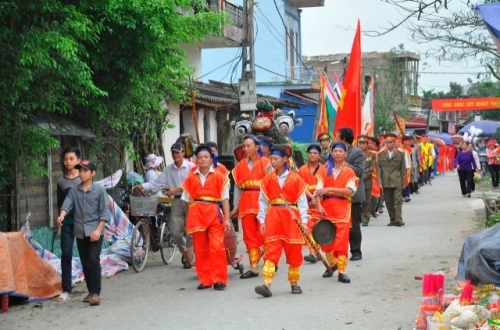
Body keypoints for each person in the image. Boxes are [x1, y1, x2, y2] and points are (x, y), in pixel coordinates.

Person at [254, 146, 310, 297]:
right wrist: (262, 221)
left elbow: (303, 202)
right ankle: (267, 284)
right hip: (273, 217)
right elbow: (262, 202)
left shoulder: (296, 179)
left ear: (285, 160)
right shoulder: (267, 179)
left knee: (294, 252)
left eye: (275, 159)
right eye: (271, 158)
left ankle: (294, 282)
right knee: (271, 250)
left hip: (291, 217)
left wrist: (304, 222)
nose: (272, 161)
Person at [132, 143, 195, 268]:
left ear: (183, 153)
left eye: (178, 152)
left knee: (191, 231)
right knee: (175, 231)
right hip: (177, 201)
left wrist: (176, 189)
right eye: (173, 152)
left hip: (191, 200)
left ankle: (190, 257)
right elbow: (156, 183)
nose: (175, 155)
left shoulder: (191, 166)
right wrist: (142, 186)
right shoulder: (168, 169)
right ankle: (186, 253)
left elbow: (194, 183)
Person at [57, 160, 108, 306]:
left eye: (85, 171)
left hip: (95, 230)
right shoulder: (74, 191)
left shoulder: (100, 190)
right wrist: (61, 216)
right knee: (85, 262)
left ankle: (96, 293)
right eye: (80, 170)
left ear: (93, 173)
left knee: (93, 258)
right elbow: (66, 205)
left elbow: (104, 213)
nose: (81, 173)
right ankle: (90, 292)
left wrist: (98, 230)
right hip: (80, 231)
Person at [181, 145, 231, 290]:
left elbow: (225, 200)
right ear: (196, 160)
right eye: (200, 157)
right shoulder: (190, 179)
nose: (203, 160)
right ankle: (205, 279)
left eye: (206, 157)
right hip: (196, 215)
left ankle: (219, 279)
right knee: (200, 249)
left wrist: (227, 219)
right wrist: (187, 219)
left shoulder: (220, 177)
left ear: (211, 159)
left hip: (214, 214)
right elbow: (187, 202)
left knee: (217, 247)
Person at [314, 142, 358, 283]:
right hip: (326, 208)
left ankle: (342, 271)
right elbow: (318, 191)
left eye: (341, 151)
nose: (338, 153)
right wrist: (319, 205)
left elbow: (349, 191)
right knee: (325, 239)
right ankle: (332, 264)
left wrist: (329, 190)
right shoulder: (323, 169)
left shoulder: (349, 171)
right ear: (331, 153)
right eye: (335, 151)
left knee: (341, 240)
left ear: (346, 154)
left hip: (342, 208)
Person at [230, 135, 272, 279]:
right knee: (249, 235)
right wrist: (235, 206)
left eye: (249, 146)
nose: (246, 148)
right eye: (244, 146)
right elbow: (237, 187)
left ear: (257, 147)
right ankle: (254, 267)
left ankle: (269, 261)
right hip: (246, 201)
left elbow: (272, 184)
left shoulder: (266, 163)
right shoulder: (240, 165)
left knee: (264, 233)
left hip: (263, 201)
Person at [56, 147, 82, 302]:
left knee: (86, 255)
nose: (68, 161)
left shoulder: (83, 178)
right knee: (66, 254)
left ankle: (93, 289)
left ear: (78, 160)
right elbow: (61, 203)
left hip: (83, 222)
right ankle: (66, 289)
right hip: (67, 222)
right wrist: (60, 217)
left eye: (71, 158)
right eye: (66, 159)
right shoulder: (61, 181)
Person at [338, 127, 365, 261]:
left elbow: (359, 172)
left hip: (352, 195)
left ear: (344, 138)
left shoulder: (357, 152)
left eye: (338, 136)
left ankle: (356, 251)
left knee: (353, 225)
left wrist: (344, 163)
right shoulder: (336, 151)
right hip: (337, 195)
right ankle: (339, 252)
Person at [297, 144, 325, 262]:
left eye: (315, 153)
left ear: (319, 155)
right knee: (307, 227)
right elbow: (302, 185)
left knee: (317, 227)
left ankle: (316, 251)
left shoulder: (324, 169)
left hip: (322, 201)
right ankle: (313, 252)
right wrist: (311, 198)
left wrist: (317, 199)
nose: (312, 155)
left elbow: (325, 185)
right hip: (306, 201)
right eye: (310, 153)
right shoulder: (302, 169)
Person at [377, 133, 407, 227]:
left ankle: (399, 219)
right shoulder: (381, 154)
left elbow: (403, 169)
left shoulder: (401, 154)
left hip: (397, 179)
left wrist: (403, 181)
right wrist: (379, 181)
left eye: (391, 142)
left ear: (394, 143)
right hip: (386, 180)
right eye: (387, 142)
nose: (389, 144)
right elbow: (379, 169)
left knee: (397, 200)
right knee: (389, 201)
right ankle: (392, 219)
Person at [357, 135, 377, 226]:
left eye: (363, 143)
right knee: (357, 201)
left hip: (366, 181)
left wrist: (361, 177)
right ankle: (359, 217)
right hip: (355, 182)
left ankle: (365, 218)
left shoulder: (372, 154)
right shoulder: (354, 154)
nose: (361, 145)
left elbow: (370, 168)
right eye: (360, 143)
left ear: (367, 144)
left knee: (367, 201)